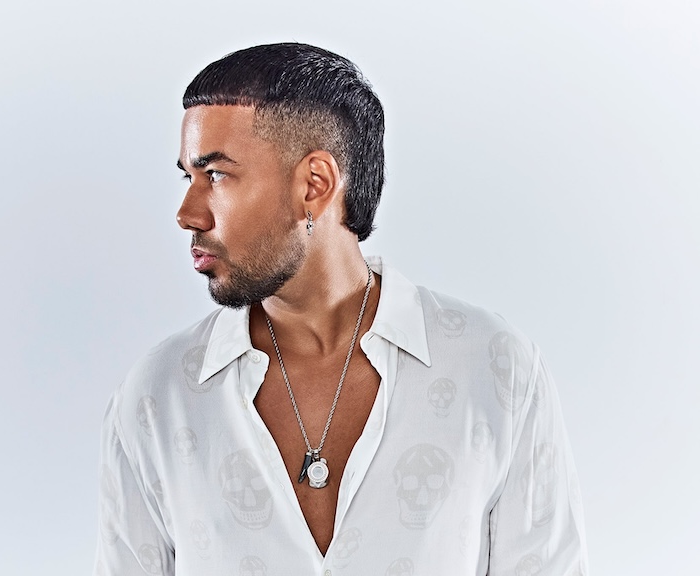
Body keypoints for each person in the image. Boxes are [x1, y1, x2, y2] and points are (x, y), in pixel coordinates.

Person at [94, 43, 588, 576]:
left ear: (315, 185)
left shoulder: (496, 371)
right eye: (187, 177)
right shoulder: (157, 397)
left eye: (214, 175)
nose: (187, 214)